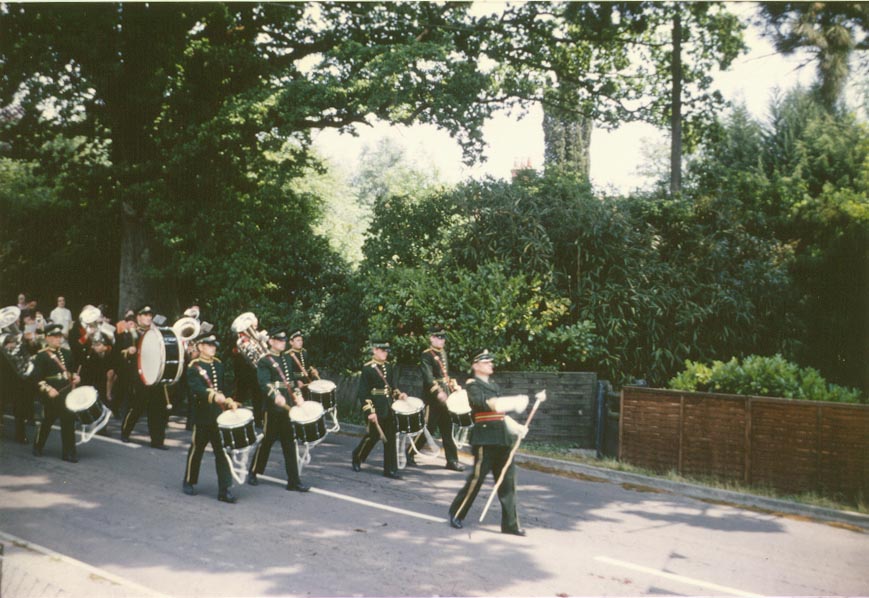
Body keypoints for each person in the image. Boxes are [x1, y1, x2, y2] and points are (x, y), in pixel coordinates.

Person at [448, 349, 527, 536]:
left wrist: (516, 427)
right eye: (486, 362)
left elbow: (501, 415)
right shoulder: (472, 386)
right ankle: (457, 513)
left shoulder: (494, 385)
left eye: (490, 362)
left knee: (508, 483)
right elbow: (484, 404)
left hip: (502, 439)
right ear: (475, 365)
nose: (490, 364)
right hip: (485, 438)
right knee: (476, 480)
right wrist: (512, 402)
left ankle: (510, 525)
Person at [247, 329, 310, 492]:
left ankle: (293, 481)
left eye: (284, 340)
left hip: (288, 406)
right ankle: (254, 471)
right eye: (280, 340)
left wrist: (298, 397)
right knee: (267, 441)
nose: (283, 343)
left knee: (290, 443)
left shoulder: (287, 358)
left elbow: (291, 381)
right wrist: (275, 395)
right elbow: (264, 383)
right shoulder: (265, 361)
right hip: (273, 408)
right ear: (271, 342)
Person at [183, 333, 238, 503]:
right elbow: (195, 388)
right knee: (197, 450)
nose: (213, 348)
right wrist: (212, 395)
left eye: (214, 345)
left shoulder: (218, 364)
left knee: (222, 452)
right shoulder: (193, 367)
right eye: (209, 345)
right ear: (200, 347)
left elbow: (223, 386)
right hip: (203, 416)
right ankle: (189, 480)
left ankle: (224, 489)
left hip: (218, 416)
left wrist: (229, 399)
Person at [409, 326, 464, 471]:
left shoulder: (443, 352)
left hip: (446, 395)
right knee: (428, 428)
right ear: (431, 338)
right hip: (432, 398)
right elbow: (428, 378)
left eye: (443, 338)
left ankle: (452, 461)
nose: (441, 340)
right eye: (438, 338)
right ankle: (409, 453)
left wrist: (453, 386)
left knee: (448, 429)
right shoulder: (426, 355)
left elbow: (445, 375)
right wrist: (438, 392)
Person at [351, 340, 407, 479]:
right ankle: (357, 456)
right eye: (382, 351)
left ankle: (390, 470)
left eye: (386, 351)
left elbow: (392, 387)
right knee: (373, 436)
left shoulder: (388, 366)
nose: (385, 353)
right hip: (375, 407)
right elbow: (363, 393)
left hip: (389, 407)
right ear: (375, 350)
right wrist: (370, 412)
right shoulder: (368, 368)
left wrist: (399, 394)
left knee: (390, 438)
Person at [118, 305, 169, 448]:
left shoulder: (156, 334)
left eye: (150, 315)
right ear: (138, 317)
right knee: (137, 406)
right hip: (139, 376)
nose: (148, 318)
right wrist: (128, 351)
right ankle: (125, 432)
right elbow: (119, 353)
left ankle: (157, 441)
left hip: (155, 375)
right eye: (145, 315)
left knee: (157, 409)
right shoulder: (131, 334)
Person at [31, 323, 80, 462]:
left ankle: (68, 453)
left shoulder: (67, 353)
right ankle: (38, 445)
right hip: (52, 394)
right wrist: (48, 389)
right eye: (55, 337)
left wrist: (76, 377)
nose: (59, 339)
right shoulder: (41, 356)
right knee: (47, 421)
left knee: (68, 422)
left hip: (66, 393)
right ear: (47, 338)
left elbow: (71, 371)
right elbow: (37, 378)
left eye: (60, 336)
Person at [77, 326, 119, 421]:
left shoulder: (111, 353)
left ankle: (109, 410)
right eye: (94, 345)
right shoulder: (91, 354)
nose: (94, 347)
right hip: (90, 375)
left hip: (103, 377)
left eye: (97, 345)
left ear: (105, 346)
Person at [284, 329, 320, 399]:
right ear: (291, 342)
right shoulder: (287, 355)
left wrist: (313, 371)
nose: (301, 342)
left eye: (301, 340)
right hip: (295, 383)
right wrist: (296, 382)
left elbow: (308, 366)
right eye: (298, 340)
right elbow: (287, 373)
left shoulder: (304, 352)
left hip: (306, 381)